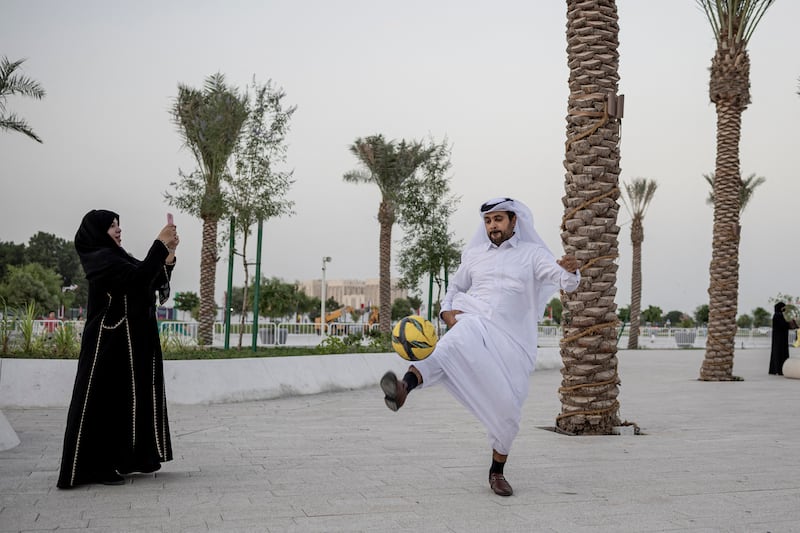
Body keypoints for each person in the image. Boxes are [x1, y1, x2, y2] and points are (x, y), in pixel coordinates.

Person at [380, 197, 580, 496]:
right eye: (488, 221)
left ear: (513, 221)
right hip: (474, 321)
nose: (492, 226)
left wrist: (571, 271)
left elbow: (565, 281)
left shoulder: (532, 255)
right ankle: (404, 386)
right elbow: (455, 289)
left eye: (498, 220)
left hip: (513, 344)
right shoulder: (474, 256)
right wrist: (446, 312)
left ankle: (497, 470)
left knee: (508, 411)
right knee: (453, 342)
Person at [57, 210, 179, 488]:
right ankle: (96, 467)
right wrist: (159, 244)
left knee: (124, 401)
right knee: (104, 402)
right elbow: (136, 279)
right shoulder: (100, 258)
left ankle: (122, 459)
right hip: (107, 342)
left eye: (118, 224)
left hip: (127, 342)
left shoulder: (118, 256)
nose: (118, 229)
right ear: (98, 232)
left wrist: (168, 255)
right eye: (112, 226)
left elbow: (148, 278)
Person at [769, 301, 797, 375]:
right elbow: (784, 325)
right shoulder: (779, 315)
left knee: (776, 353)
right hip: (781, 339)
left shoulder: (776, 315)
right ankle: (780, 369)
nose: (784, 309)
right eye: (783, 307)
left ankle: (774, 369)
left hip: (777, 338)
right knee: (781, 353)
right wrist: (791, 323)